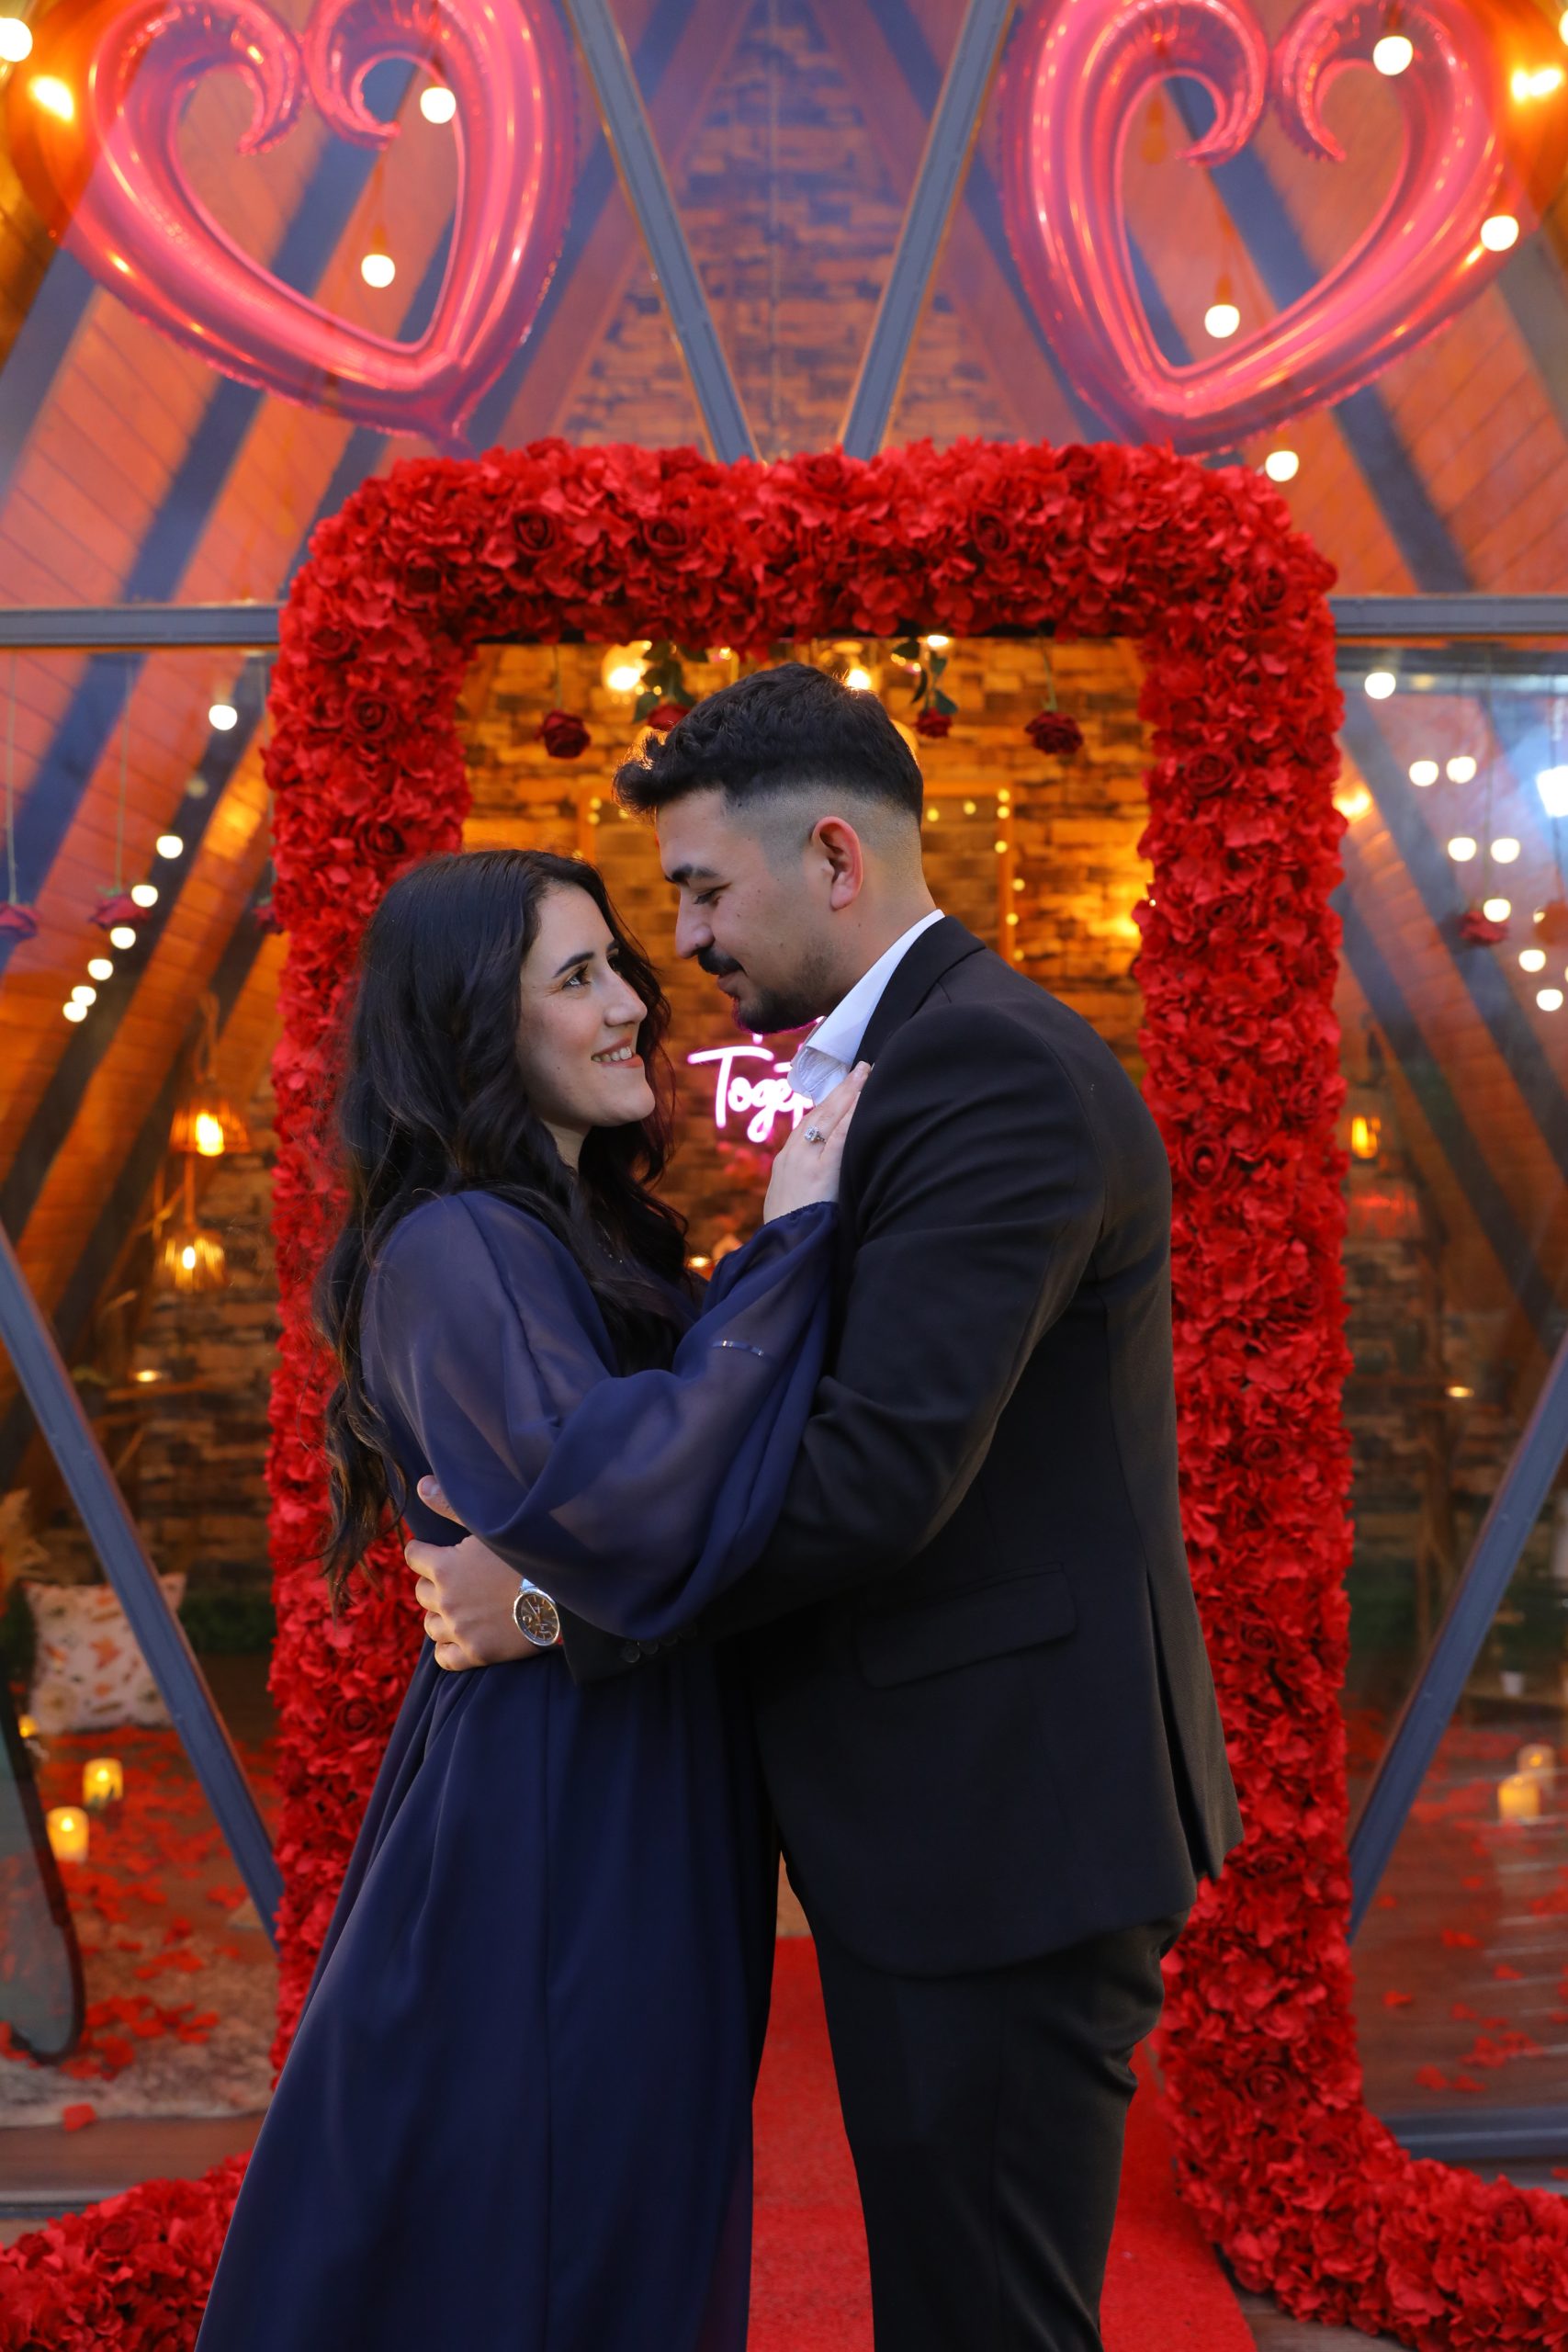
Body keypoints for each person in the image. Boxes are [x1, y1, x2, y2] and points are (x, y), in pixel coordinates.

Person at [409, 664, 1244, 2352]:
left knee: (983, 2319)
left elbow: (873, 1477)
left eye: (705, 890)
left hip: (999, 1821)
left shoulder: (986, 1071)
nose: (687, 943)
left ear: (837, 858)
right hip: (957, 1813)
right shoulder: (927, 1062)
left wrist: (559, 1601)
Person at [196, 847, 865, 2352]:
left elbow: (672, 1508)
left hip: (630, 1763)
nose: (630, 1002)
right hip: (560, 1797)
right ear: (471, 1027)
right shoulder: (457, 1244)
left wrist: (552, 1600)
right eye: (576, 978)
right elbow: (627, 1499)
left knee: (623, 2188)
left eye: (617, 963)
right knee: (563, 2207)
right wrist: (794, 1236)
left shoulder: (581, 1230)